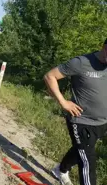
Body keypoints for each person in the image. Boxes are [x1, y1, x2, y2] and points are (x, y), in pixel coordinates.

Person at [44, 38, 107, 185]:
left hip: (102, 122)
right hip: (80, 120)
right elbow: (50, 76)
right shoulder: (81, 62)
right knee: (88, 163)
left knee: (82, 150)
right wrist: (63, 102)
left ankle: (60, 170)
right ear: (104, 47)